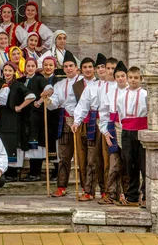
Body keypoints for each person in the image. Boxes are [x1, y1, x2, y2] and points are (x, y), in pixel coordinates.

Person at [72, 54, 109, 201]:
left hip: (109, 123)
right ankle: (89, 190)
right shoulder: (91, 87)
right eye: (99, 67)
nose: (101, 70)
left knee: (107, 159)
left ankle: (107, 190)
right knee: (92, 158)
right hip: (94, 122)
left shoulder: (114, 86)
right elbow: (82, 105)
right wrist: (77, 121)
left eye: (103, 67)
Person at [47, 50, 83, 197]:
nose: (68, 68)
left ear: (76, 68)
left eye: (71, 66)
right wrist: (48, 101)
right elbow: (55, 102)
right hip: (65, 121)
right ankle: (61, 186)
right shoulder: (60, 84)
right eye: (66, 66)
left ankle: (88, 189)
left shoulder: (83, 82)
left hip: (82, 122)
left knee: (84, 156)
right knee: (63, 156)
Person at [0, 62, 35, 182]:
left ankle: (13, 173)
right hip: (2, 118)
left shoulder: (17, 85)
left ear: (14, 72)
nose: (7, 73)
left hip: (13, 119)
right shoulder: (1, 84)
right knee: (4, 143)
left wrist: (20, 107)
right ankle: (7, 172)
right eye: (5, 71)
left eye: (9, 71)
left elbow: (31, 96)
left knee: (12, 143)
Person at [115, 66, 147, 207]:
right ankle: (132, 195)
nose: (133, 80)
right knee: (129, 162)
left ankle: (146, 195)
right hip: (127, 130)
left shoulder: (145, 95)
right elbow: (121, 113)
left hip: (141, 130)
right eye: (131, 78)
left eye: (136, 78)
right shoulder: (121, 95)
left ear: (141, 79)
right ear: (127, 79)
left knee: (144, 163)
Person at [99, 60, 128, 205]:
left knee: (128, 163)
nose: (121, 78)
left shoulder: (134, 92)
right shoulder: (109, 93)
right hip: (113, 128)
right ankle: (111, 193)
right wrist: (105, 131)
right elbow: (103, 114)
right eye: (118, 76)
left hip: (129, 129)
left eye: (123, 76)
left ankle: (127, 194)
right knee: (114, 163)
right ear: (115, 78)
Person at [20, 58, 53, 182]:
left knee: (37, 143)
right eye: (28, 66)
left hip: (36, 116)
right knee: (29, 142)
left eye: (32, 66)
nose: (30, 68)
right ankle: (31, 172)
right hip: (25, 116)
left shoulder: (39, 79)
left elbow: (49, 89)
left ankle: (36, 172)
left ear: (35, 67)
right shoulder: (22, 80)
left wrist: (39, 101)